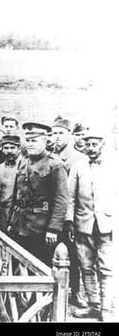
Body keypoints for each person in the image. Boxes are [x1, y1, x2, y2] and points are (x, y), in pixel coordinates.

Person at [66, 131, 116, 321]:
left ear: (102, 145)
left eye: (95, 144)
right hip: (83, 224)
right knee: (86, 266)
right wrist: (70, 222)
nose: (91, 148)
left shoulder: (113, 165)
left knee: (107, 269)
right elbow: (70, 197)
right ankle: (93, 306)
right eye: (88, 145)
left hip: (108, 225)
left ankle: (108, 311)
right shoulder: (78, 167)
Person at [9, 122, 68, 266]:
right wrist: (12, 221)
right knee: (20, 266)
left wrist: (53, 229)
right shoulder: (23, 162)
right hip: (21, 224)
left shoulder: (55, 165)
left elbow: (61, 199)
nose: (29, 144)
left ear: (45, 141)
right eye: (27, 141)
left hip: (41, 227)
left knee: (41, 266)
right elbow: (16, 194)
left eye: (33, 141)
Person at [52, 116, 89, 307]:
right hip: (50, 215)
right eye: (54, 133)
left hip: (68, 215)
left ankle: (75, 292)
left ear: (70, 136)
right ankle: (54, 291)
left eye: (61, 133)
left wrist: (69, 220)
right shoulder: (50, 155)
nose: (57, 137)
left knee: (72, 255)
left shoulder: (78, 158)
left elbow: (72, 193)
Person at [0, 135, 22, 232]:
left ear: (19, 149)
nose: (9, 151)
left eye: (12, 148)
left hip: (18, 215)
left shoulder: (24, 167)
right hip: (1, 213)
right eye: (6, 148)